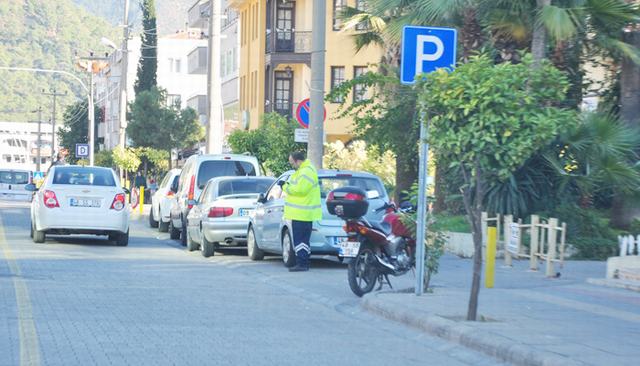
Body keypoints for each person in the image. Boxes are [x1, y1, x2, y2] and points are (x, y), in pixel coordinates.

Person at [281, 151, 322, 272]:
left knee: (300, 240)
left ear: (298, 161)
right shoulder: (303, 171)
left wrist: (284, 187)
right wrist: (286, 183)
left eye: (292, 162)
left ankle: (302, 263)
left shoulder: (306, 171)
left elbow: (300, 190)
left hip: (302, 214)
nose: (292, 165)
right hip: (302, 214)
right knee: (303, 240)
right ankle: (303, 262)